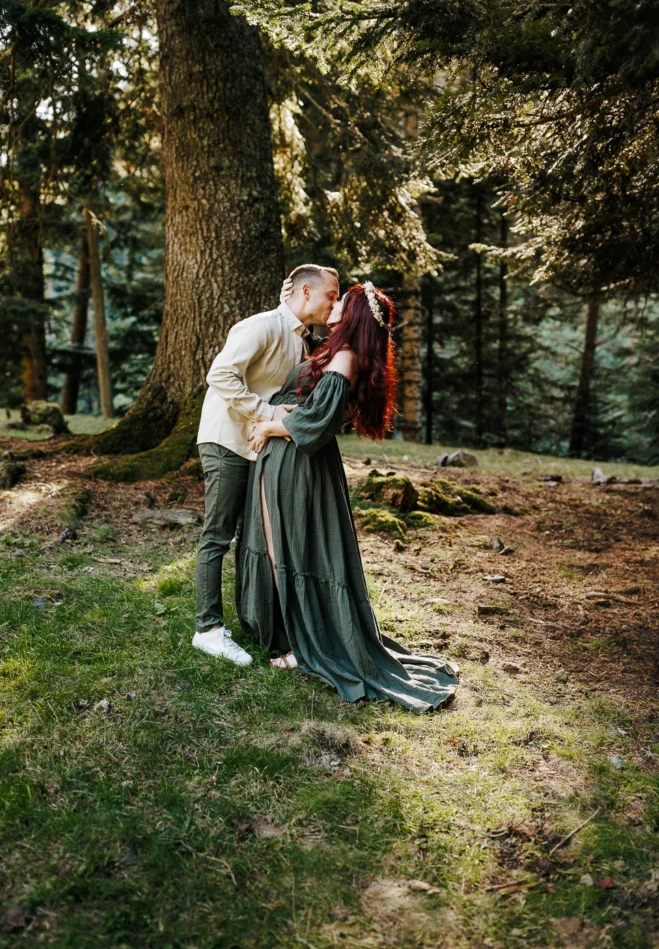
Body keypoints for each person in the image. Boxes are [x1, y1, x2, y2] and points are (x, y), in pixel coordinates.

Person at [237, 282, 459, 712]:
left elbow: (318, 420)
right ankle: (288, 634)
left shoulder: (344, 358)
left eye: (342, 300)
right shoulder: (333, 350)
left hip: (297, 464)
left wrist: (266, 427)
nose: (333, 304)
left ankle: (306, 646)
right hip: (287, 461)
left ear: (353, 315)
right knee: (279, 545)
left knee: (291, 548)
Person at [193, 264, 340, 666]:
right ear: (306, 292)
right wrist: (266, 413)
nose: (334, 303)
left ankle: (253, 621)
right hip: (227, 441)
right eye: (331, 295)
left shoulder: (304, 337)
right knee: (217, 536)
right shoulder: (260, 326)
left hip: (260, 447)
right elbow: (220, 374)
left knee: (252, 539)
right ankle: (207, 629)